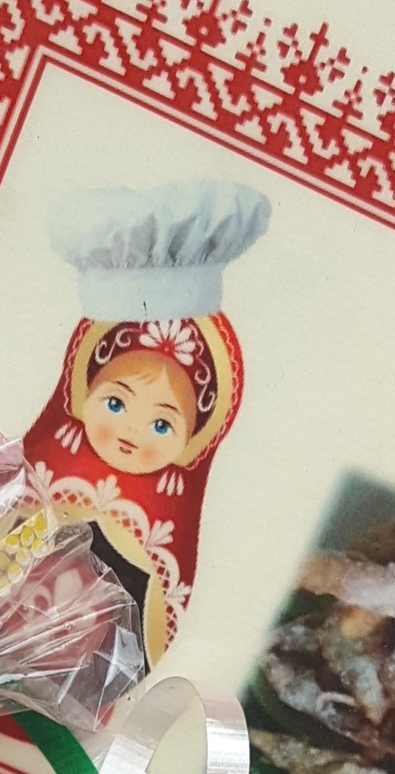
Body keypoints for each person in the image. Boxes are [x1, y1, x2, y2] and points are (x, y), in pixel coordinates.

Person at [21, 177, 271, 657]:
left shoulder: (164, 532)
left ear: (199, 432)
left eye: (162, 424)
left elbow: (147, 639)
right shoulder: (37, 473)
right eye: (115, 404)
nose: (132, 430)